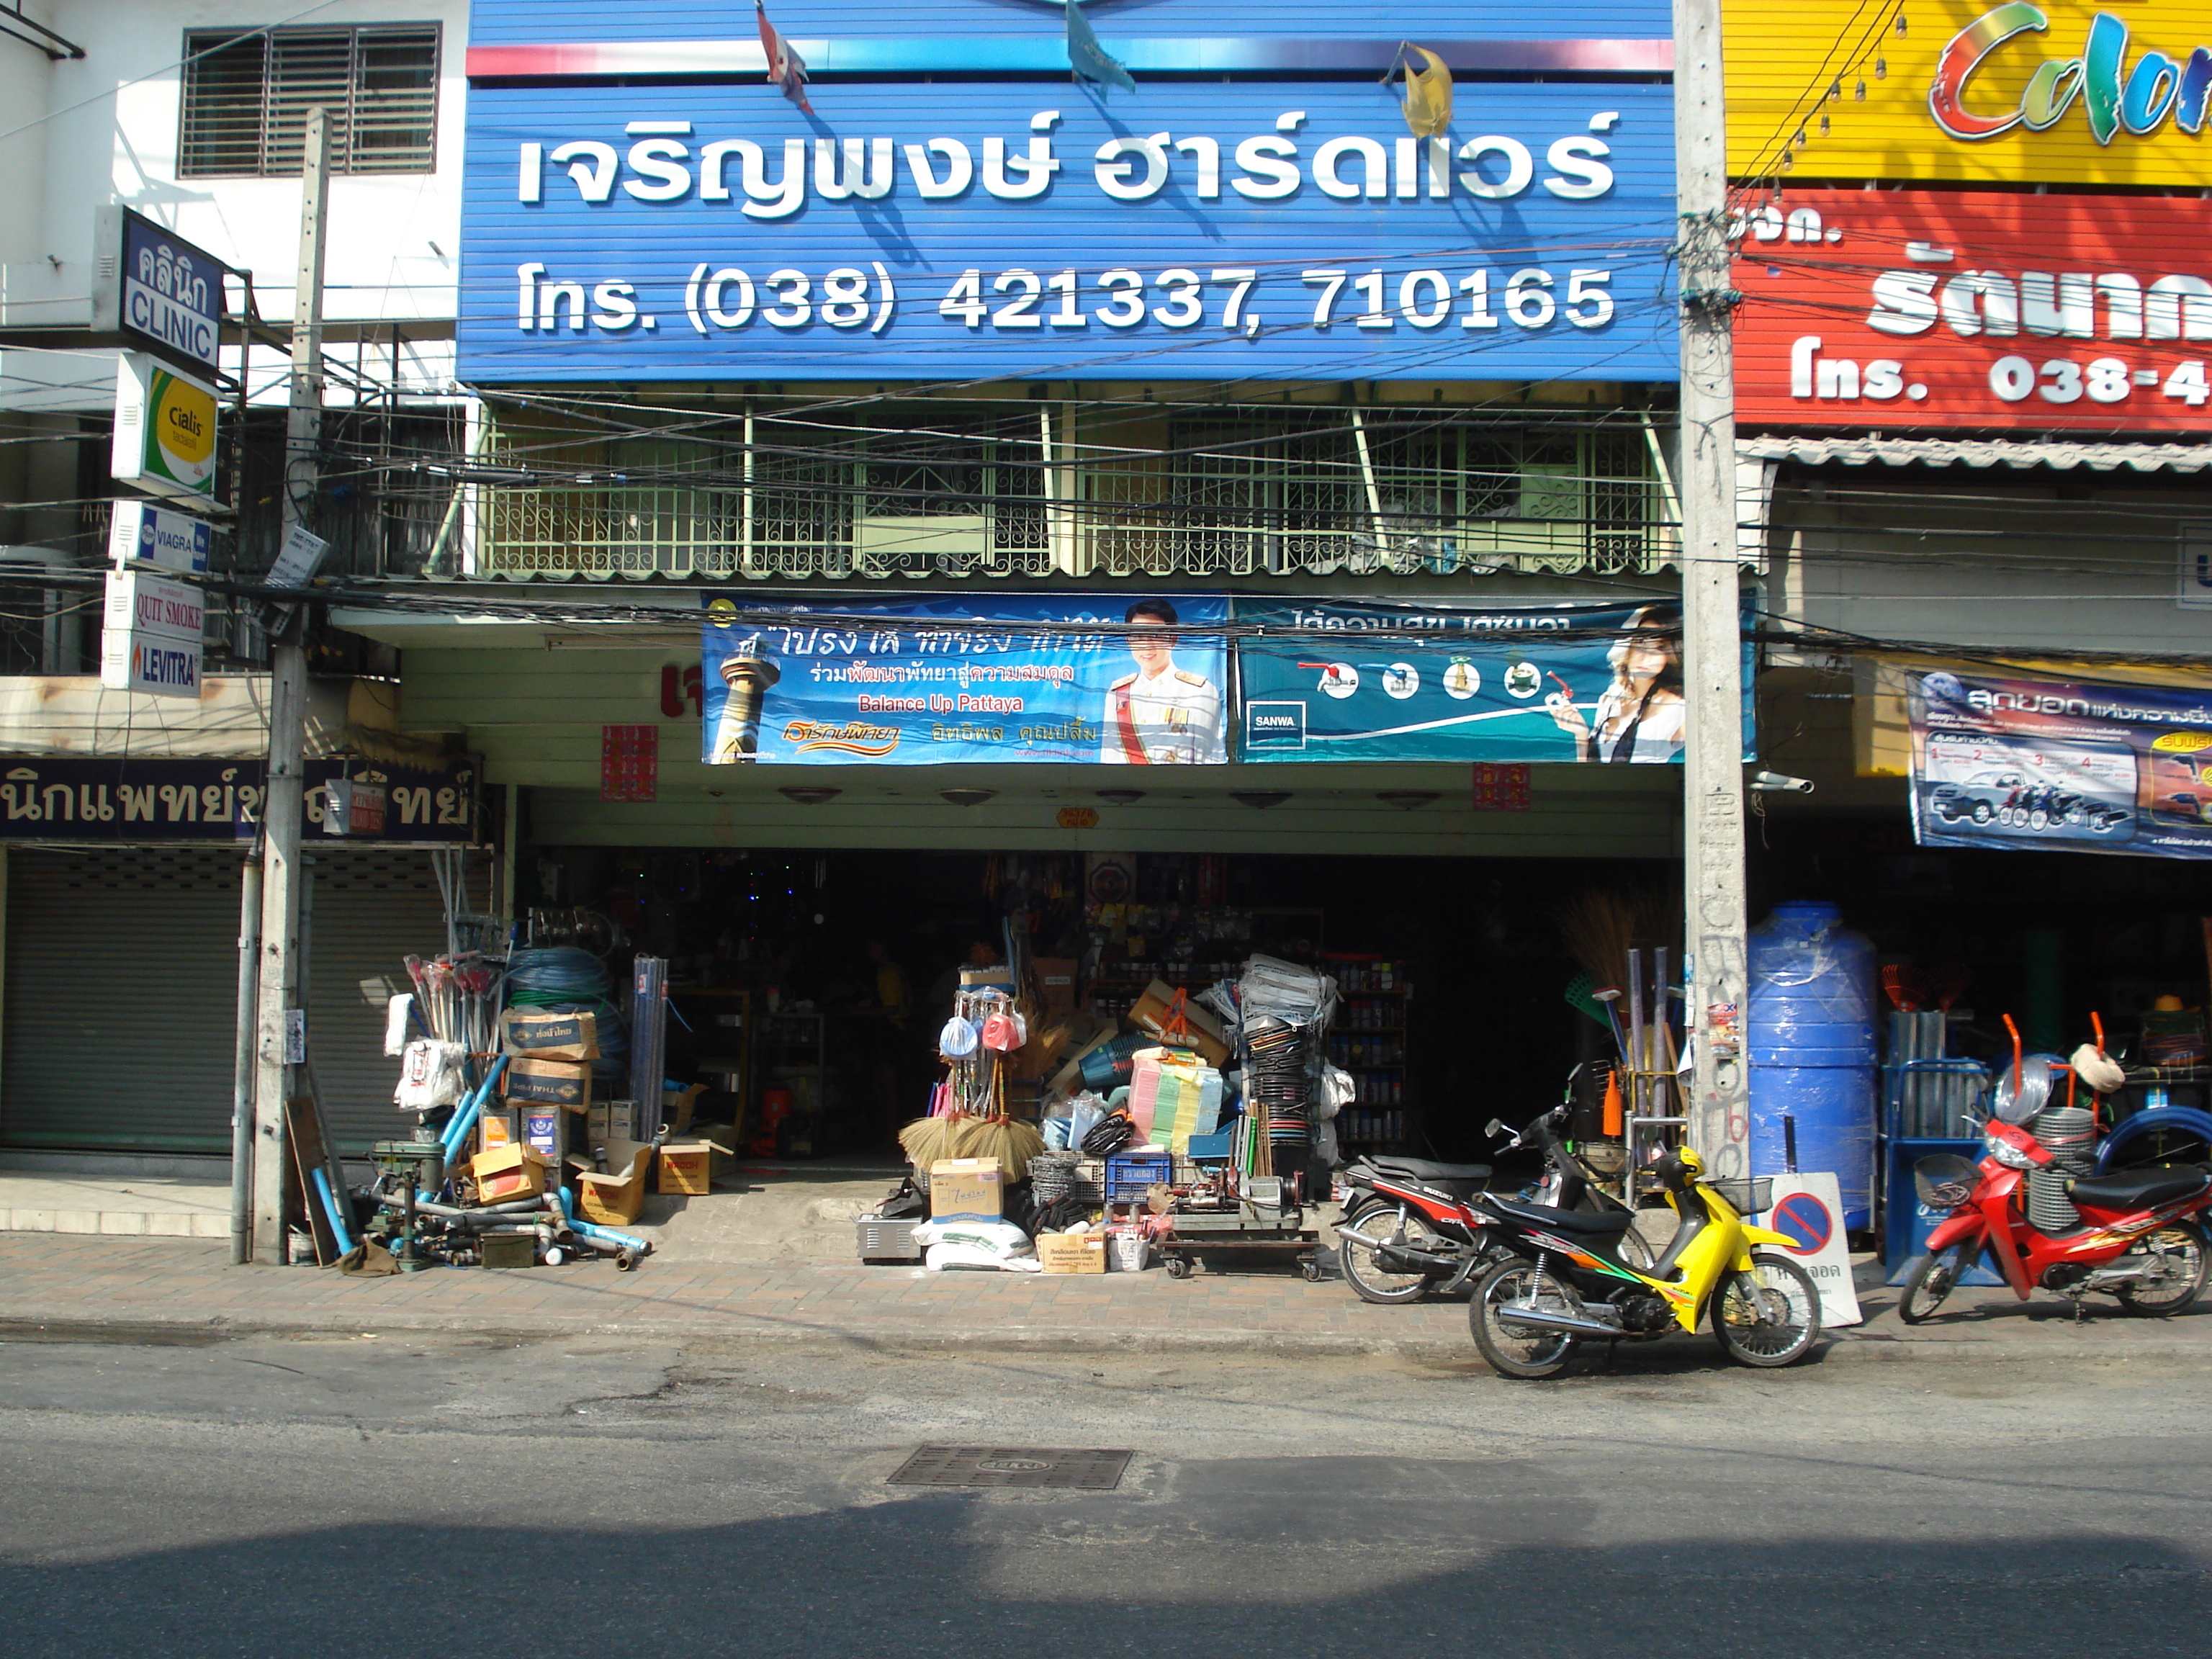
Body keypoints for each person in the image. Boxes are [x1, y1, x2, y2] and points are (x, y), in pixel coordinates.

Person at [1548, 604, 1686, 764]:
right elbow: (1588, 774)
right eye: (1640, 642)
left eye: (1660, 648)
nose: (1645, 656)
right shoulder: (1610, 700)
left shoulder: (1678, 709)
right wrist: (1581, 734)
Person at [1100, 598, 1226, 764]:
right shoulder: (1117, 693)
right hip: (1129, 788)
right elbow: (1110, 758)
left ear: (1172, 639)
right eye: (1137, 636)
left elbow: (1211, 758)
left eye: (1155, 635)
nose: (1146, 645)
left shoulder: (1199, 691)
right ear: (1129, 641)